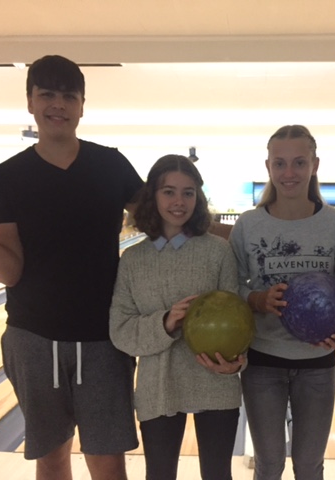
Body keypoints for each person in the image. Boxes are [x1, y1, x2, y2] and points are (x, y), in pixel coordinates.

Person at [0, 55, 142, 480]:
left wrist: (243, 236)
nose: (58, 104)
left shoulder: (110, 164)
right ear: (31, 103)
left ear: (82, 105)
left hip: (104, 337)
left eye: (68, 96)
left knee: (108, 464)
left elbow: (165, 218)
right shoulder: (10, 176)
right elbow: (10, 271)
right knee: (51, 459)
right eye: (47, 95)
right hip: (33, 337)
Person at [109, 154, 244, 480]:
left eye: (188, 192)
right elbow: (121, 330)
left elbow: (239, 320)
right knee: (159, 475)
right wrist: (166, 322)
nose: (178, 201)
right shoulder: (132, 260)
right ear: (153, 195)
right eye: (168, 191)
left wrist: (238, 361)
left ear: (198, 198)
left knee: (217, 475)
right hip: (159, 385)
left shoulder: (218, 251)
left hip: (215, 379)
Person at [229, 125, 335, 480]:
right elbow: (230, 288)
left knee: (310, 466)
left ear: (315, 164)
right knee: (268, 464)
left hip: (318, 363)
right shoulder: (249, 225)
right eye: (280, 164)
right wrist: (257, 299)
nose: (289, 172)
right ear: (268, 167)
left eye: (299, 162)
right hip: (263, 362)